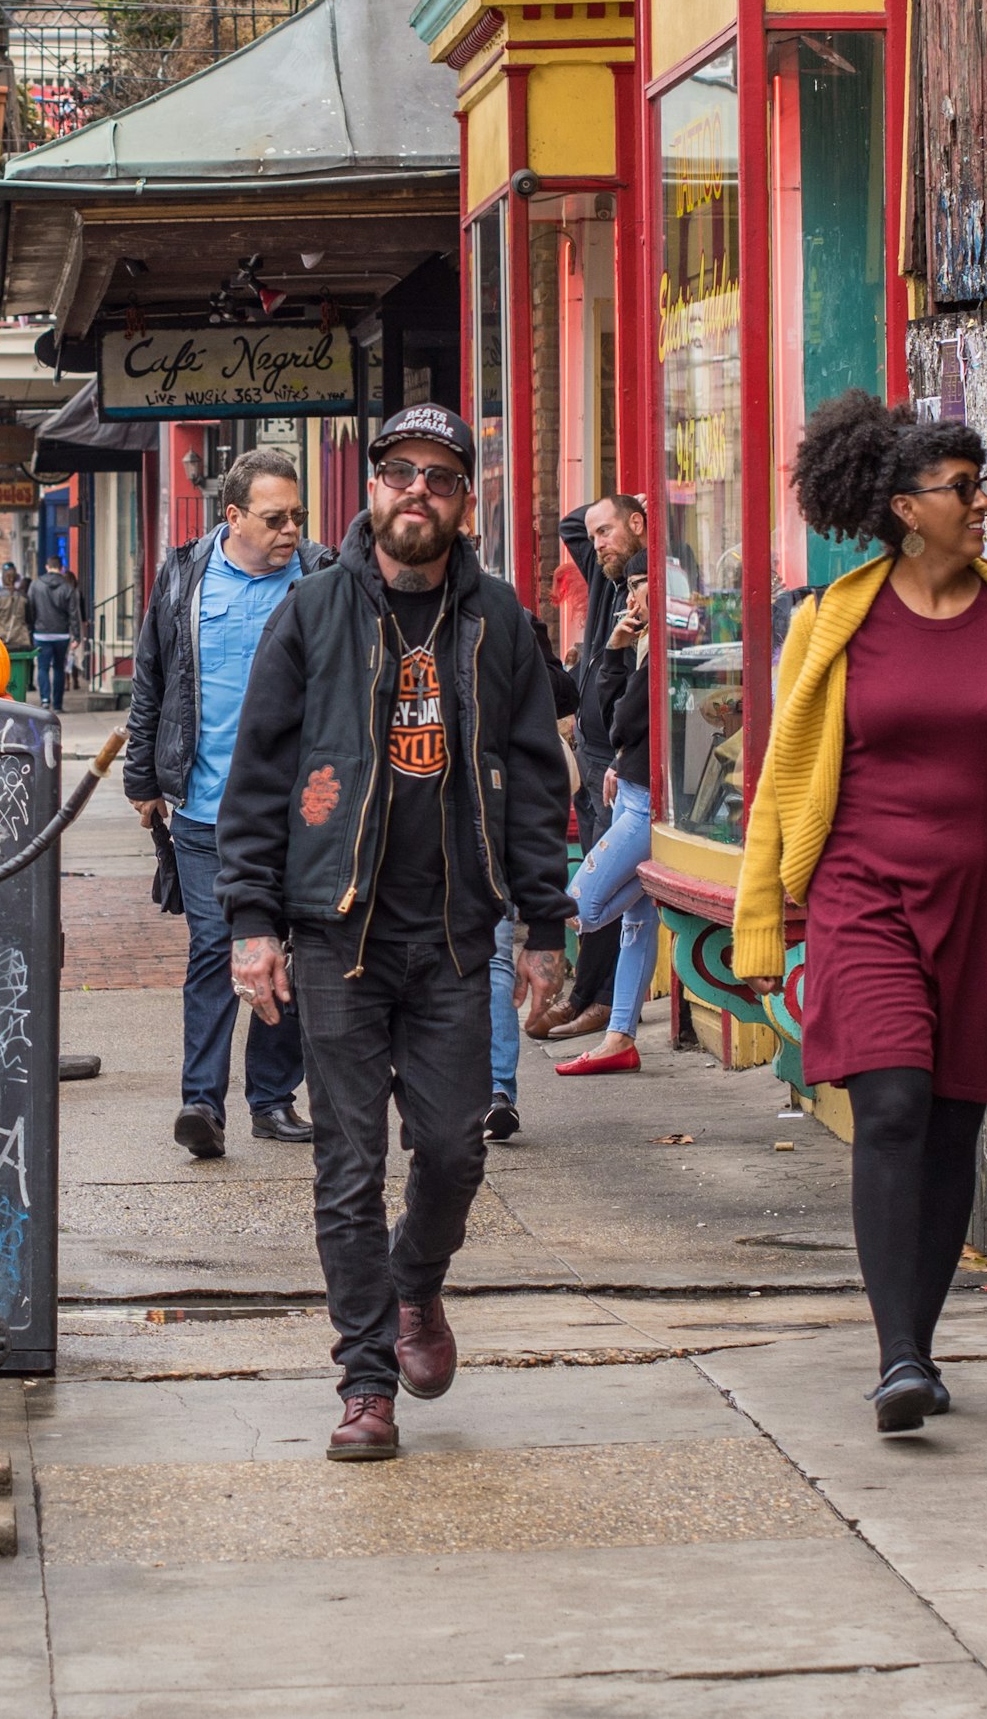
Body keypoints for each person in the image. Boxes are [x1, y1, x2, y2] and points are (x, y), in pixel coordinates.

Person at [731, 392, 987, 1434]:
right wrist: (761, 925)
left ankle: (922, 1336)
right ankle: (897, 1353)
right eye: (964, 487)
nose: (982, 502)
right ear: (907, 507)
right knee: (896, 1101)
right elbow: (781, 781)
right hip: (864, 894)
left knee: (956, 1117)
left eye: (981, 483)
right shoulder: (833, 621)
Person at [217, 404, 572, 1463]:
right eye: (399, 472)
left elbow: (538, 780)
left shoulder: (499, 619)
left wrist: (544, 925)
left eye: (441, 477)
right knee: (346, 1162)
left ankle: (418, 1282)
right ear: (369, 489)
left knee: (457, 1150)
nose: (418, 490)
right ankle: (365, 1380)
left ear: (468, 500)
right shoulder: (313, 612)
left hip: (458, 939)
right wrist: (251, 923)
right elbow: (260, 775)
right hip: (338, 935)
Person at [125, 448, 328, 1158]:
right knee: (216, 951)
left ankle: (272, 1099)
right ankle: (201, 1103)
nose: (291, 531)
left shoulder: (322, 578)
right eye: (275, 518)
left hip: (303, 813)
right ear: (232, 515)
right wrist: (143, 777)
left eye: (298, 516)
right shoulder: (184, 574)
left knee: (293, 954)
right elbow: (151, 677)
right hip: (207, 806)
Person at [549, 493, 659, 1078]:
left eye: (643, 584)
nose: (632, 594)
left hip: (647, 803)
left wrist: (619, 654)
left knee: (579, 905)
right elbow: (626, 724)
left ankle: (605, 1012)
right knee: (638, 920)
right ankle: (620, 1034)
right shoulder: (626, 619)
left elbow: (626, 716)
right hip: (626, 780)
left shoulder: (665, 640)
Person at [28, 552, 84, 708]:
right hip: (61, 634)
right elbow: (74, 613)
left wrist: (32, 628)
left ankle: (45, 700)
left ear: (47, 567)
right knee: (59, 668)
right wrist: (77, 637)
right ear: (61, 568)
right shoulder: (68, 587)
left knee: (43, 667)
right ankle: (58, 704)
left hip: (41, 633)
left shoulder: (35, 585)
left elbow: (30, 609)